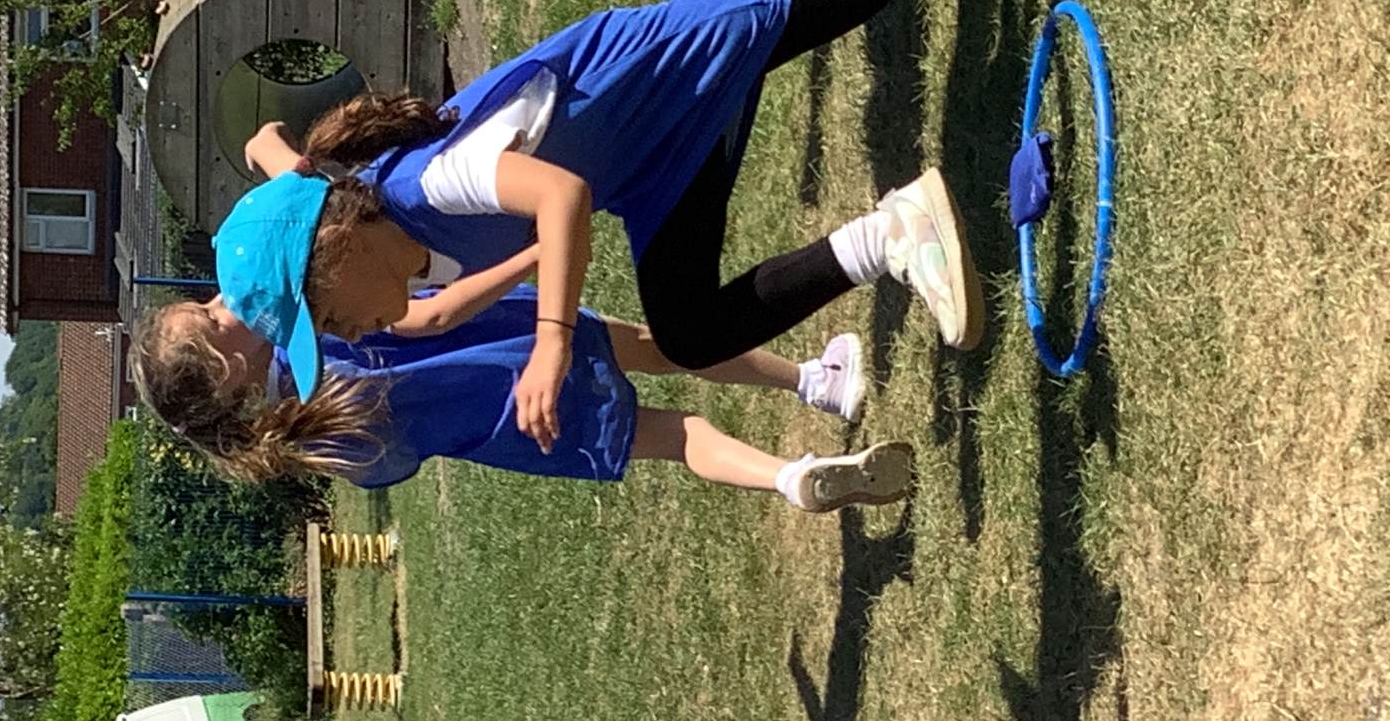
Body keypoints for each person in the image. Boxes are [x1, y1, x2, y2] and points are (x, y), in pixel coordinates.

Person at [208, 0, 1075, 450]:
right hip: (652, 165)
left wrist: (552, 342)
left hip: (659, 70)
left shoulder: (422, 186)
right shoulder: (397, 250)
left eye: (329, 315)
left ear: (338, 250)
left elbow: (559, 196)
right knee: (690, 332)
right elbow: (325, 209)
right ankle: (891, 234)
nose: (349, 336)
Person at [130, 221, 906, 508]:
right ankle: (815, 382)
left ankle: (787, 477)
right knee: (666, 346)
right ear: (226, 375)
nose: (222, 300)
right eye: (211, 318)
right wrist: (530, 259)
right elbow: (432, 313)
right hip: (516, 345)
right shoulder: (316, 335)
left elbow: (392, 462)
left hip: (517, 426)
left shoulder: (308, 439)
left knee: (680, 436)